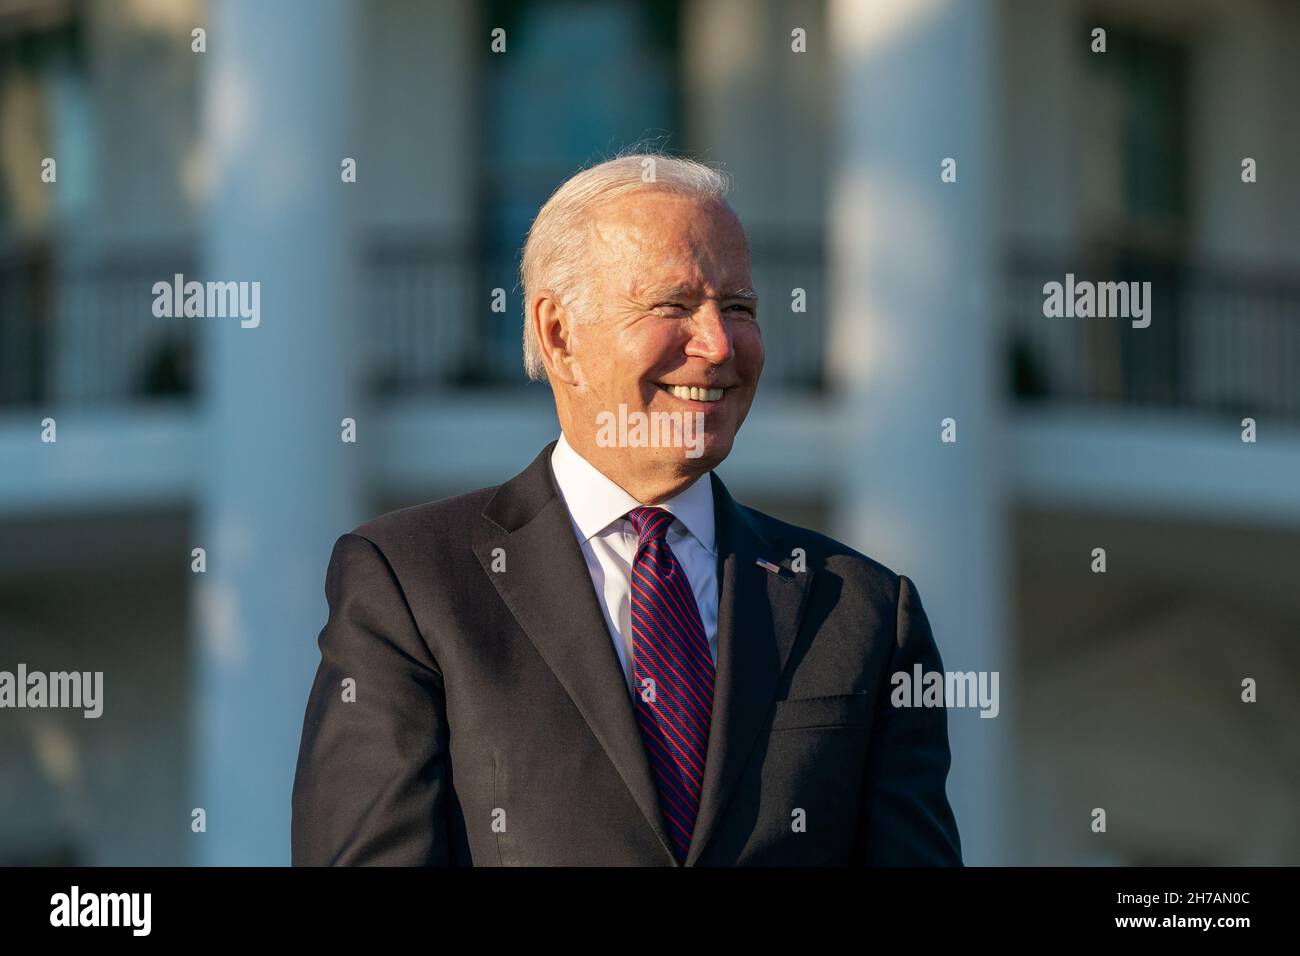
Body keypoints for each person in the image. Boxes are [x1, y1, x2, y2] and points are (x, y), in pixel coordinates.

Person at [291, 153, 962, 866]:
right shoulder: (412, 585)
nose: (719, 344)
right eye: (673, 305)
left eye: (739, 308)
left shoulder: (861, 611)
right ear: (559, 336)